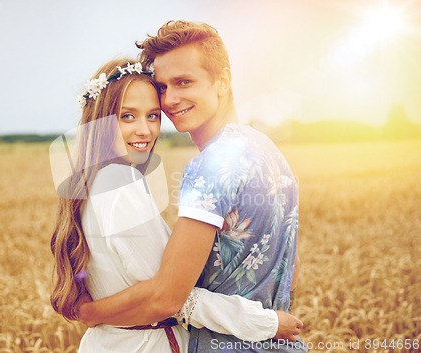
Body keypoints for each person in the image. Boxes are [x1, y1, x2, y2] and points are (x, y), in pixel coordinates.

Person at [75, 21, 308, 353]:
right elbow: (291, 262)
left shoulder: (211, 165)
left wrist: (90, 312)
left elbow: (167, 296)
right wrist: (271, 319)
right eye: (163, 87)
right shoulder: (267, 149)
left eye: (184, 82)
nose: (170, 100)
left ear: (222, 81)